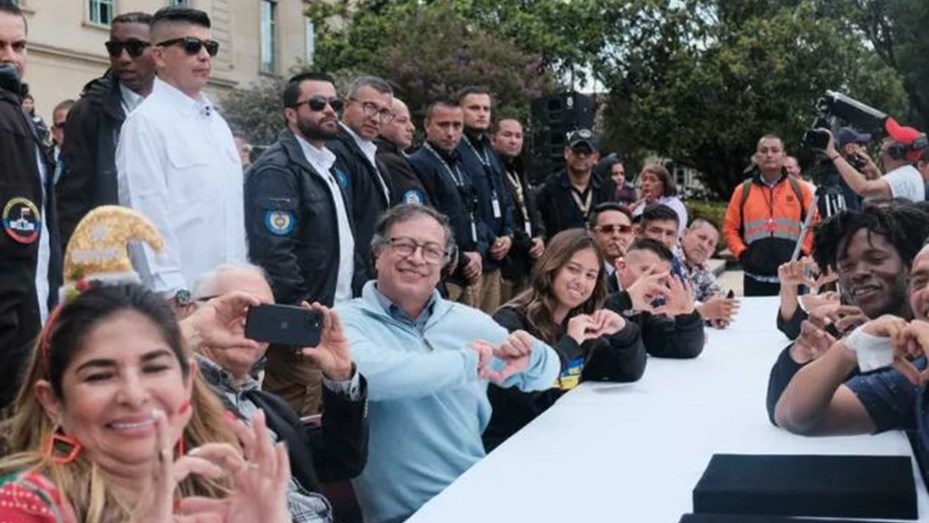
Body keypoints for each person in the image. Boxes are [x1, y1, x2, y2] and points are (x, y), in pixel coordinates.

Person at [336, 204, 560, 523]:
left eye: (431, 251)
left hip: (478, 496)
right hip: (406, 515)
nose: (417, 258)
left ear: (445, 263)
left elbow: (545, 375)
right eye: (404, 245)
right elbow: (367, 376)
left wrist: (535, 356)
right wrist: (468, 362)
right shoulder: (345, 321)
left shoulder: (469, 322)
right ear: (377, 252)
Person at [0, 283, 291, 521]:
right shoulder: (22, 506)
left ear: (187, 381)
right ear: (52, 401)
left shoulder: (226, 483)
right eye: (100, 376)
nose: (134, 395)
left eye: (154, 368)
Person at [192, 264, 369, 523]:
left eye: (266, 315)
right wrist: (188, 333)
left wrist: (340, 376)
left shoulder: (269, 406)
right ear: (193, 312)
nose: (250, 322)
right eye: (238, 306)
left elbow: (341, 462)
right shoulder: (175, 394)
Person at [245, 72, 364, 417]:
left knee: (332, 417)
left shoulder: (332, 167)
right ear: (291, 114)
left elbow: (345, 238)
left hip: (339, 314)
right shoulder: (278, 170)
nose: (329, 110)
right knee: (297, 419)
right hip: (305, 324)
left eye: (334, 103)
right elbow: (274, 252)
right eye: (317, 103)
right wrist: (302, 316)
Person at [116, 6, 245, 306]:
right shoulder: (145, 122)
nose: (204, 56)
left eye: (210, 47)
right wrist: (173, 297)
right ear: (159, 56)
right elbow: (144, 218)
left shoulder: (218, 124)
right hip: (182, 300)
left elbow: (233, 218)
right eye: (191, 46)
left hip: (229, 296)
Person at [766, 203, 929, 429]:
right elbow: (785, 413)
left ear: (909, 265)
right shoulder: (847, 328)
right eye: (846, 265)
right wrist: (814, 353)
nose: (859, 273)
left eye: (876, 258)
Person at [483, 229, 646, 451]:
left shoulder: (579, 323)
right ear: (552, 267)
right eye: (573, 269)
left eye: (590, 275)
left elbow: (627, 372)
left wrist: (624, 332)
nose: (581, 282)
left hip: (561, 439)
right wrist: (569, 345)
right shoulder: (511, 321)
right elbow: (512, 401)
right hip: (510, 447)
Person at [0, 0, 62, 410]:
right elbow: (17, 247)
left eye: (18, 45)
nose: (10, 57)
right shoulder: (8, 123)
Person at [57, 12, 156, 248]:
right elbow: (71, 200)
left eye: (135, 48)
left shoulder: (177, 107)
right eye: (114, 48)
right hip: (110, 252)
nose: (123, 58)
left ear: (157, 51)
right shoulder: (88, 112)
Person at [408, 100, 486, 306]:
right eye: (443, 125)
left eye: (457, 126)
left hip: (472, 268)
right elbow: (427, 219)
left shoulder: (460, 163)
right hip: (445, 272)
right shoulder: (418, 163)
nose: (451, 133)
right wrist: (461, 257)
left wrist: (479, 251)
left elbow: (475, 212)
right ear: (427, 125)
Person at [723, 134, 816, 296]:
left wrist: (803, 252)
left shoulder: (800, 189)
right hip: (755, 278)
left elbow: (814, 224)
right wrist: (742, 253)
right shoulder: (742, 191)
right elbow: (729, 229)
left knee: (794, 313)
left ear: (783, 156)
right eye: (764, 151)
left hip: (792, 276)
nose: (769, 155)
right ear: (756, 157)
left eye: (775, 150)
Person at [456, 86, 516, 313]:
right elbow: (467, 206)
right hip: (475, 257)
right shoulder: (456, 150)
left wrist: (508, 234)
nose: (481, 113)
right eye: (474, 108)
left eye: (486, 109)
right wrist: (491, 239)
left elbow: (504, 196)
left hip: (497, 258)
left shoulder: (490, 151)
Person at [329, 75, 396, 263]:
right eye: (370, 107)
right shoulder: (334, 152)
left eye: (384, 112)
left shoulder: (375, 159)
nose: (376, 118)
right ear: (347, 105)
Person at [607, 238, 705, 359]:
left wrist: (687, 316)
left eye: (661, 280)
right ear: (622, 266)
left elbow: (685, 348)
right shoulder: (595, 290)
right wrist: (626, 299)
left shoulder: (647, 309)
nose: (655, 285)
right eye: (648, 273)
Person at [491, 116, 545, 300]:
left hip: (528, 259)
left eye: (518, 136)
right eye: (507, 135)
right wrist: (527, 242)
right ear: (493, 139)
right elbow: (503, 214)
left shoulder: (519, 169)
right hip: (508, 259)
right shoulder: (492, 170)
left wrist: (540, 236)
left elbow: (532, 209)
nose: (513, 141)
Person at [823, 118, 927, 202]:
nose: (884, 141)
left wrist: (832, 153)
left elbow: (863, 188)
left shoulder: (903, 176)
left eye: (890, 139)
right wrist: (874, 172)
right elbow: (885, 192)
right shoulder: (908, 174)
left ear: (897, 150)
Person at [536, 128, 614, 239]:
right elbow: (539, 225)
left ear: (596, 158)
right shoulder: (549, 188)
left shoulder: (606, 189)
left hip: (596, 247)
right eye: (577, 151)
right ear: (566, 153)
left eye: (587, 152)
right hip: (561, 247)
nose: (581, 156)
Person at [679, 218, 739, 328]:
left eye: (711, 243)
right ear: (685, 233)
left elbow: (713, 292)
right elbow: (668, 312)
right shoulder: (668, 260)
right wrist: (704, 311)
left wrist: (716, 313)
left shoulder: (700, 266)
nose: (704, 246)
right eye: (701, 237)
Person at [376, 96, 432, 206]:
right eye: (402, 121)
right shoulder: (391, 162)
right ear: (381, 120)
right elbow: (415, 206)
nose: (411, 127)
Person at [631, 163, 688, 239]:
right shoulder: (640, 205)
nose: (646, 183)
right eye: (644, 179)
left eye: (652, 180)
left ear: (664, 185)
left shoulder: (675, 205)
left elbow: (674, 233)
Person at [589, 202, 636, 293]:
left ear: (633, 234)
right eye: (607, 229)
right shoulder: (584, 269)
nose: (616, 235)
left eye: (623, 229)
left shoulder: (644, 269)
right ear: (592, 234)